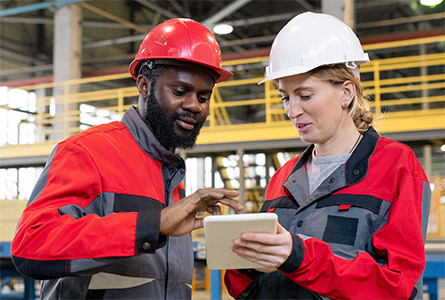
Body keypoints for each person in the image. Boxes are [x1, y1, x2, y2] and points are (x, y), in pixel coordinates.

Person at [11, 18, 243, 299]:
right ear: (144, 86)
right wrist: (152, 225)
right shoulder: (87, 152)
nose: (194, 105)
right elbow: (31, 244)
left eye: (204, 97)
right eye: (180, 91)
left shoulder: (170, 175)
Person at [224, 12, 431, 300]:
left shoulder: (396, 166)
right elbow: (251, 290)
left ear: (346, 93)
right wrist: (242, 261)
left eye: (305, 95)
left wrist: (300, 256)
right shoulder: (283, 177)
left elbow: (399, 286)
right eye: (285, 97)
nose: (291, 111)